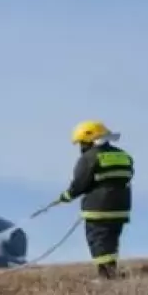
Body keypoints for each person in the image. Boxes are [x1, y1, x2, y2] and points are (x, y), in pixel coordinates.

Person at [56, 119, 134, 280]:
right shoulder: (124, 155)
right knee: (111, 240)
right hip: (121, 208)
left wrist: (66, 196)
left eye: (82, 143)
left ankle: (106, 277)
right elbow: (128, 175)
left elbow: (80, 184)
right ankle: (111, 273)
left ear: (89, 140)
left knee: (98, 241)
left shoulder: (89, 158)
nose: (81, 147)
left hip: (98, 209)